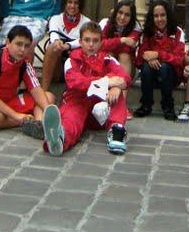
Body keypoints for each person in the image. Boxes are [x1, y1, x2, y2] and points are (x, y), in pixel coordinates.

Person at [41, 21, 131, 156]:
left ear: (101, 43)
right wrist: (107, 82)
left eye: (95, 41)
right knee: (71, 119)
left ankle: (117, 132)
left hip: (100, 111)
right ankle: (60, 138)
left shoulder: (108, 60)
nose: (91, 45)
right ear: (80, 42)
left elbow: (124, 77)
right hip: (77, 102)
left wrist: (116, 88)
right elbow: (75, 82)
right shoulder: (71, 61)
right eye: (87, 40)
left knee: (116, 96)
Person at [0, 24, 54, 135]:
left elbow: (36, 89)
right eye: (19, 44)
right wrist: (15, 116)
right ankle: (26, 121)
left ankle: (39, 125)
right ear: (8, 42)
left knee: (48, 97)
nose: (22, 50)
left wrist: (49, 111)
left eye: (26, 46)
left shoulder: (25, 64)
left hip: (10, 101)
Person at [134, 0, 185, 121]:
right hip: (150, 75)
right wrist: (149, 59)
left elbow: (179, 59)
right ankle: (146, 105)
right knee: (146, 67)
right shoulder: (147, 32)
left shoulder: (178, 32)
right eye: (156, 16)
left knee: (164, 67)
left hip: (170, 75)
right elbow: (140, 57)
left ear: (168, 15)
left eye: (163, 15)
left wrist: (157, 55)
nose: (159, 19)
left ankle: (168, 106)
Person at [41, 0, 90, 91]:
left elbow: (86, 40)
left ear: (80, 5)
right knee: (53, 47)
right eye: (69, 2)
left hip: (76, 67)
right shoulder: (55, 19)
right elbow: (53, 34)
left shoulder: (86, 22)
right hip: (57, 68)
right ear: (64, 3)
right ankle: (43, 91)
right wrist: (58, 43)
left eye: (76, 3)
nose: (72, 6)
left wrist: (69, 45)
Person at [100, 0, 141, 118]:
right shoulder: (105, 23)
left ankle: (122, 105)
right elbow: (100, 44)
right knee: (110, 54)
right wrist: (122, 40)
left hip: (127, 68)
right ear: (115, 12)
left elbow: (130, 46)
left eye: (127, 15)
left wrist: (112, 43)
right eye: (120, 13)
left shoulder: (136, 27)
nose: (122, 17)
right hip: (107, 66)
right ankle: (106, 102)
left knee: (124, 55)